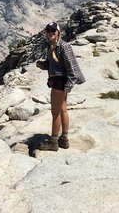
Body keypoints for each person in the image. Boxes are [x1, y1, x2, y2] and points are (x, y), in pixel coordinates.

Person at [36, 21, 85, 151]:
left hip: (60, 82)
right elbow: (55, 63)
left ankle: (53, 142)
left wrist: (67, 87)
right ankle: (64, 139)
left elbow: (73, 71)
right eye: (49, 31)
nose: (51, 33)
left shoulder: (64, 46)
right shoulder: (51, 46)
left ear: (58, 32)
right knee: (63, 109)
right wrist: (44, 64)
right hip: (59, 80)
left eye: (53, 31)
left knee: (55, 112)